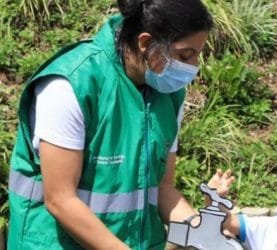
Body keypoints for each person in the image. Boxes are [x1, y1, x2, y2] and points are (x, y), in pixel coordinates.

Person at [7, 0, 213, 249]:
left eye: (197, 56)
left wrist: (199, 232)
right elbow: (60, 199)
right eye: (184, 56)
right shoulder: (72, 85)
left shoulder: (168, 95)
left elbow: (163, 187)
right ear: (145, 43)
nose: (192, 68)